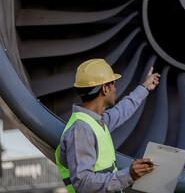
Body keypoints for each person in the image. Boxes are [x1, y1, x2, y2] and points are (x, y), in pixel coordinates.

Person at [55, 58, 161, 193]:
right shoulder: (81, 130)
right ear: (105, 89)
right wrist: (129, 175)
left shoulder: (96, 122)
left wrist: (145, 87)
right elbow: (83, 183)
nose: (115, 89)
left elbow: (122, 110)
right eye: (114, 84)